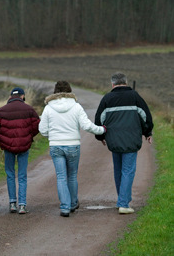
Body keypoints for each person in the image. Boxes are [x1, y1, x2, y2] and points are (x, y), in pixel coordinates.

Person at [39, 81, 106, 217]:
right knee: (72, 175)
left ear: (55, 91)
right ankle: (73, 203)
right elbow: (87, 126)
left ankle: (64, 207)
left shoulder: (48, 108)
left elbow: (42, 130)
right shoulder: (76, 107)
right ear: (70, 91)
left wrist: (52, 135)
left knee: (61, 176)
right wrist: (101, 130)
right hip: (72, 145)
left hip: (56, 145)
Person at [94, 72, 153, 214]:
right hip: (131, 140)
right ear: (125, 83)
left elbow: (99, 120)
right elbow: (146, 117)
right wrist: (147, 132)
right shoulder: (135, 97)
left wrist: (100, 136)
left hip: (113, 141)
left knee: (118, 170)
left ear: (112, 84)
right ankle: (124, 204)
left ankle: (121, 200)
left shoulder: (107, 99)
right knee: (128, 171)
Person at [0, 87, 40, 214]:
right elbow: (37, 125)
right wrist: (29, 136)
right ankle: (22, 205)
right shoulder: (29, 109)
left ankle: (12, 203)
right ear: (23, 96)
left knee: (10, 174)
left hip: (8, 146)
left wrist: (2, 136)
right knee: (22, 175)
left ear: (10, 96)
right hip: (24, 145)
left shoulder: (1, 111)